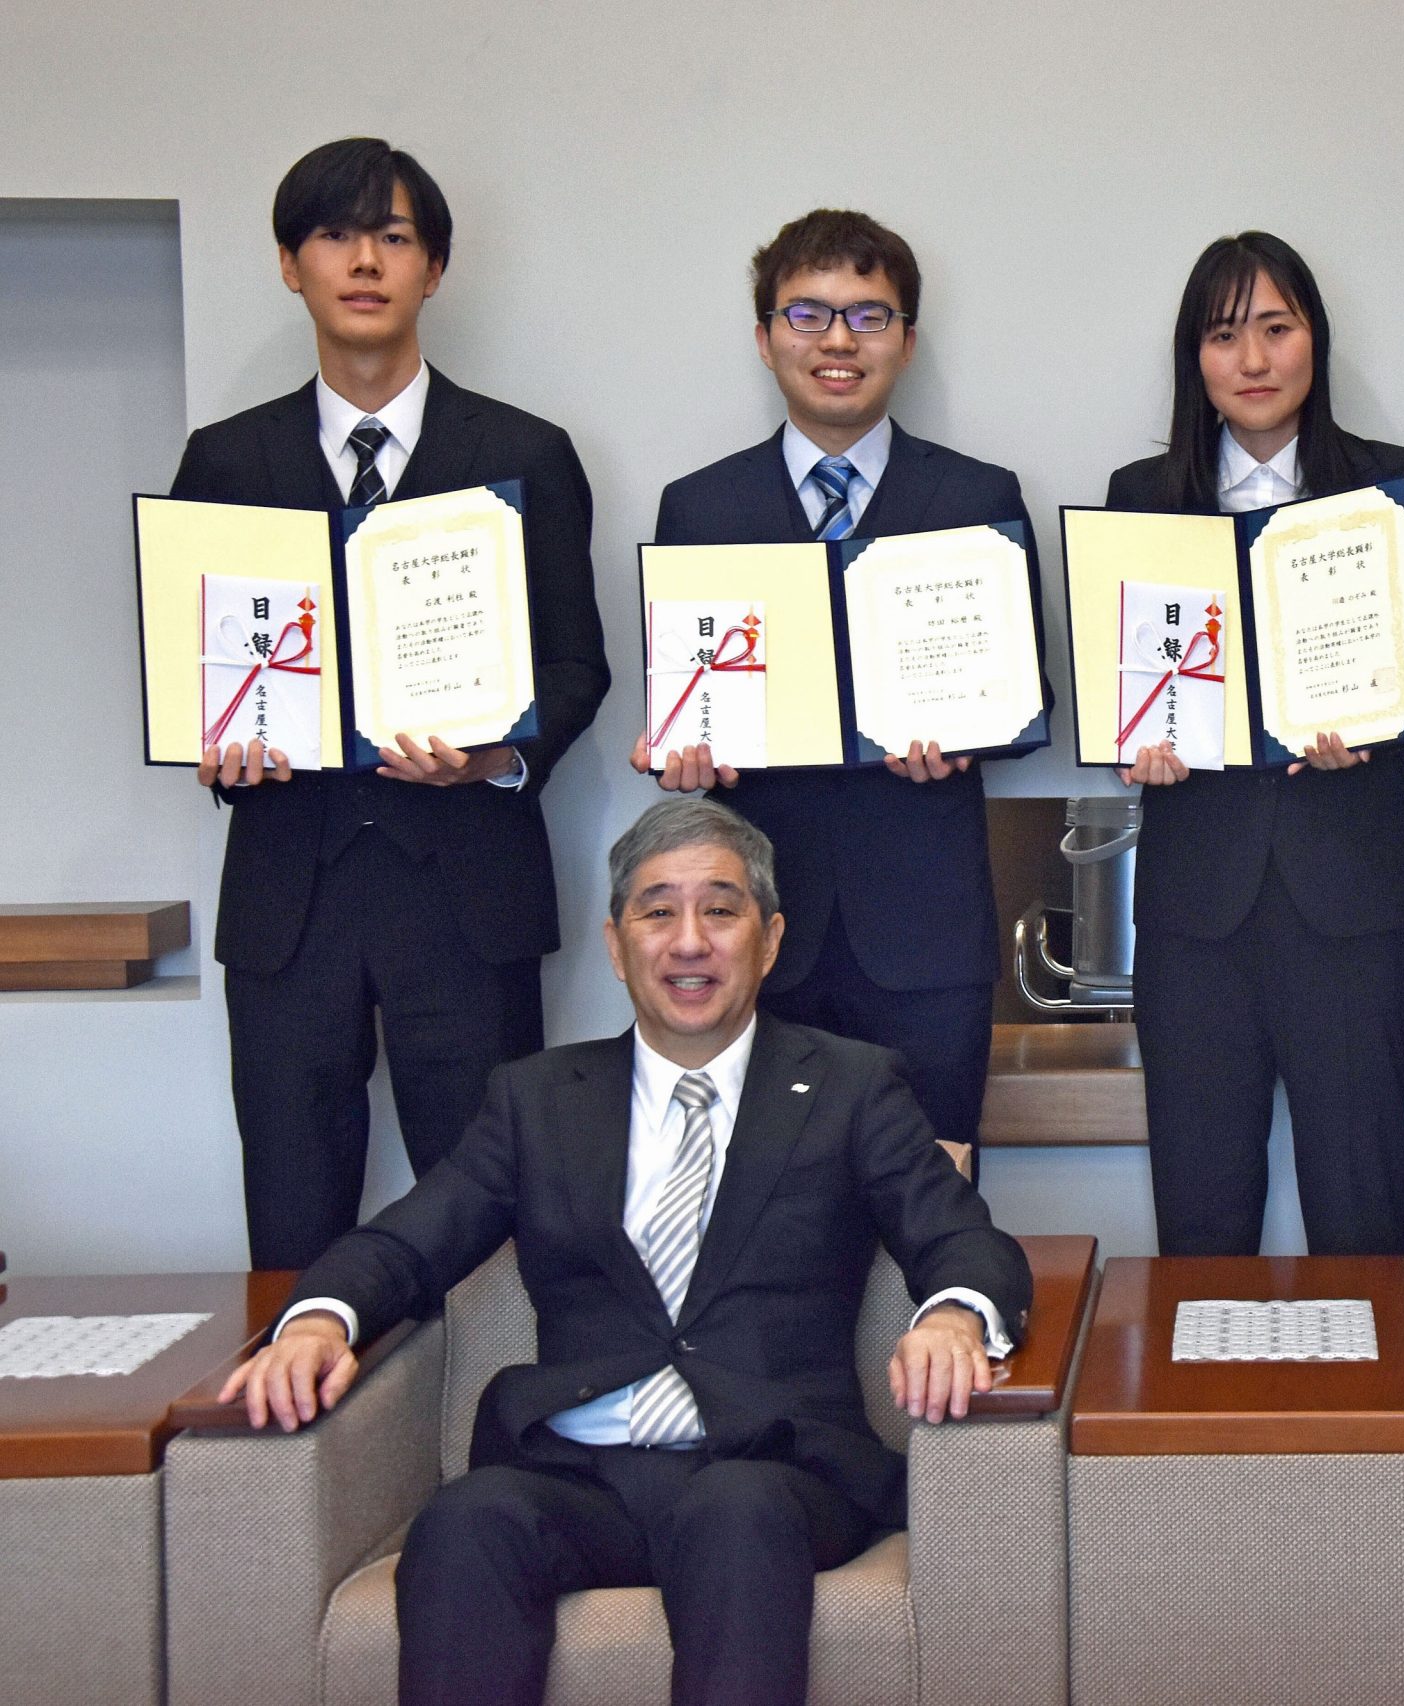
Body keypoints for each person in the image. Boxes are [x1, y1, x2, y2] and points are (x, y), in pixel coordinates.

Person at [218, 798, 1032, 1706]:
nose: (690, 941)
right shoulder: (537, 1099)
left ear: (769, 940)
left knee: (734, 1512)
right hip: (577, 1471)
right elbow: (410, 1241)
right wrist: (319, 1321)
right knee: (467, 1521)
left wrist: (957, 1313)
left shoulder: (850, 1085)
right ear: (616, 945)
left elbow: (960, 1237)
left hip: (770, 1470)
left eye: (720, 911)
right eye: (658, 912)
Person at [178, 138, 609, 1269]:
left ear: (435, 269)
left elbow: (576, 666)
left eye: (395, 236)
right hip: (290, 898)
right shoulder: (224, 461)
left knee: (488, 1232)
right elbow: (203, 675)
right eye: (333, 234)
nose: (363, 260)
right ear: (289, 265)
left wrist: (491, 760)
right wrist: (219, 746)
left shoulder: (524, 451)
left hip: (465, 894)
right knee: (287, 1218)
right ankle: (294, 1448)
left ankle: (489, 1447)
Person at [637, 209, 1047, 1154]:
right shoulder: (700, 508)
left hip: (925, 931)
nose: (836, 341)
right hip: (759, 928)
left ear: (906, 340)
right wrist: (680, 750)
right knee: (766, 1217)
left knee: (930, 1204)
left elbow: (1031, 704)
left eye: (867, 317)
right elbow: (685, 697)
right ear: (764, 337)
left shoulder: (977, 497)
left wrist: (971, 733)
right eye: (807, 314)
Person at [1106, 232, 1404, 1255]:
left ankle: (1372, 1416)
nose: (1252, 359)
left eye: (1275, 327)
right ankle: (1213, 1417)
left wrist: (1383, 721)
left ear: (1314, 339)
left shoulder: (1400, 486)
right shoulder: (1141, 496)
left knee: (1360, 1193)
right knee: (1201, 1198)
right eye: (1224, 335)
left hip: (1351, 889)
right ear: (1194, 359)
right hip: (1194, 904)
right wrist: (1143, 742)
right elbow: (1128, 680)